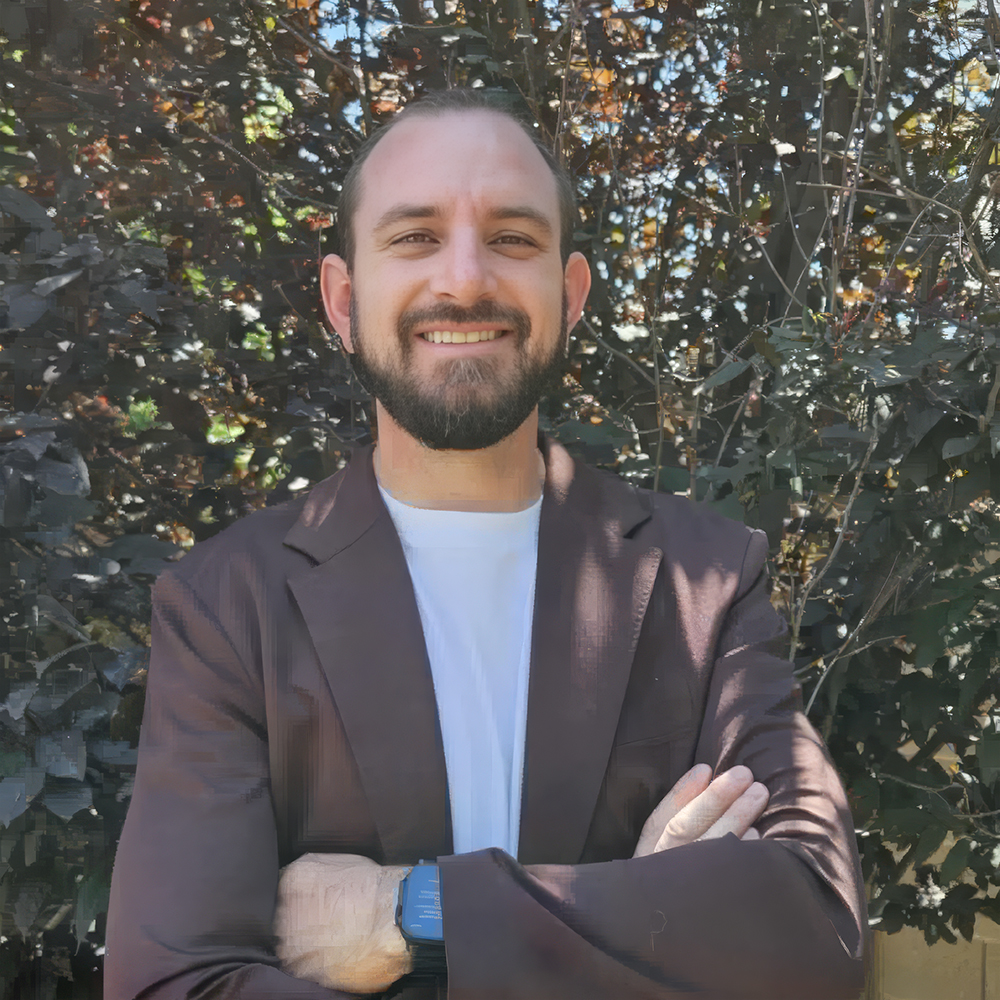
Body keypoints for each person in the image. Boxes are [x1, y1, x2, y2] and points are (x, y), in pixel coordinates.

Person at [105, 89, 867, 1000]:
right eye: (415, 237)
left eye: (512, 238)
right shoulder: (227, 603)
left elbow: (815, 936)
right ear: (344, 300)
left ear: (570, 294)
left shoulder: (707, 581)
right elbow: (176, 986)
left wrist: (420, 914)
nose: (464, 280)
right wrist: (640, 909)